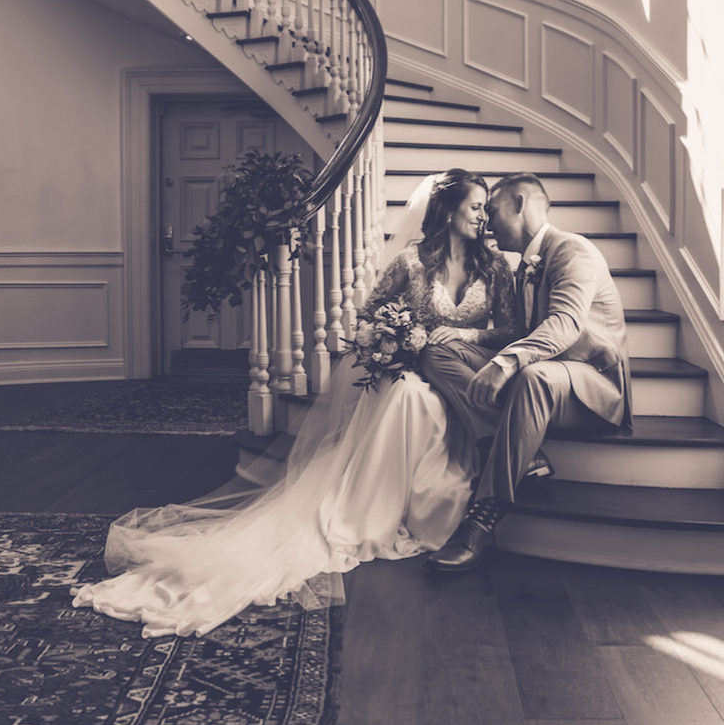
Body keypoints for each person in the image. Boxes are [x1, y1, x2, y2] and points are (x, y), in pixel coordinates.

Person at [71, 169, 516, 636]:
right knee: (405, 395)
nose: (484, 217)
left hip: (467, 370)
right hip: (411, 371)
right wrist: (399, 340)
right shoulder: (410, 262)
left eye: (485, 208)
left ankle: (456, 468)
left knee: (418, 395)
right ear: (448, 212)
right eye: (476, 207)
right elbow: (370, 315)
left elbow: (510, 329)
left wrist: (461, 334)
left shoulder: (496, 266)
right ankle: (376, 509)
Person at [421, 171, 633, 573]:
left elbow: (565, 324)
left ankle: (483, 517)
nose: (486, 222)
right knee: (438, 354)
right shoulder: (524, 265)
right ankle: (521, 450)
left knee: (535, 377)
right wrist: (466, 339)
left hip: (591, 382)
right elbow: (520, 334)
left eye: (494, 210)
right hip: (545, 372)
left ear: (520, 204)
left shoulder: (573, 250)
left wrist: (506, 362)